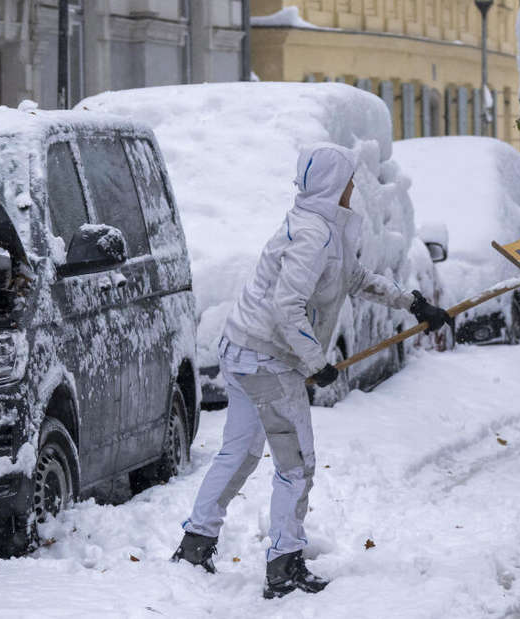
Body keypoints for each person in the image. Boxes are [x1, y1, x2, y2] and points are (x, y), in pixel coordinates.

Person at [171, 143, 451, 599]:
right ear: (330, 184)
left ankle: (195, 545)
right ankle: (284, 566)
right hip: (265, 359)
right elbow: (288, 306)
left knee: (239, 454)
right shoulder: (313, 235)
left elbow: (353, 278)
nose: (353, 189)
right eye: (347, 182)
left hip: (243, 350)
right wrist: (315, 363)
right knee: (295, 466)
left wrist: (413, 303)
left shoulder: (321, 227)